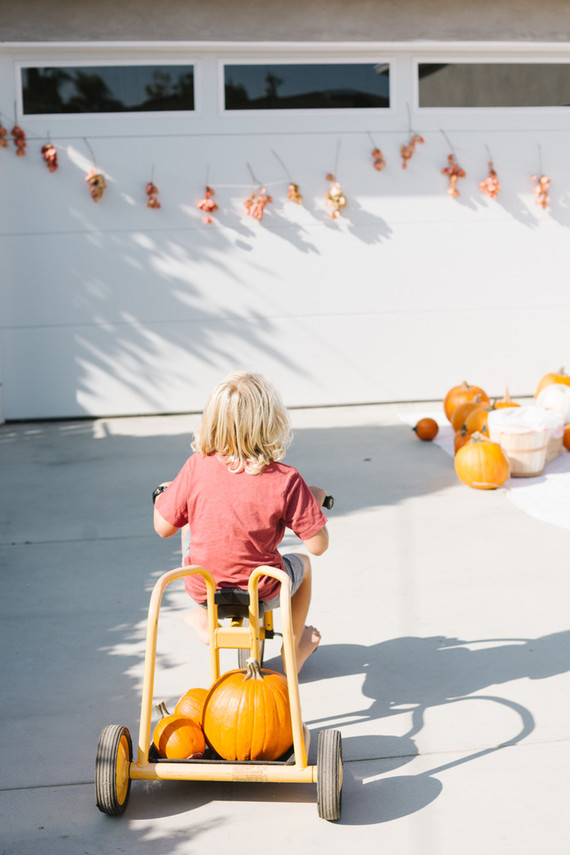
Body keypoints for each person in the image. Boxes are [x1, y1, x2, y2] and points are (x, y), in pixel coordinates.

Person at [153, 371, 329, 672]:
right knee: (305, 565)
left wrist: (163, 497)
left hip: (204, 586)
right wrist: (309, 502)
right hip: (261, 587)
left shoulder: (195, 467)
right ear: (271, 423)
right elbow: (318, 546)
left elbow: (163, 527)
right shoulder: (286, 479)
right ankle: (293, 653)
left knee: (188, 520)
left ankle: (204, 616)